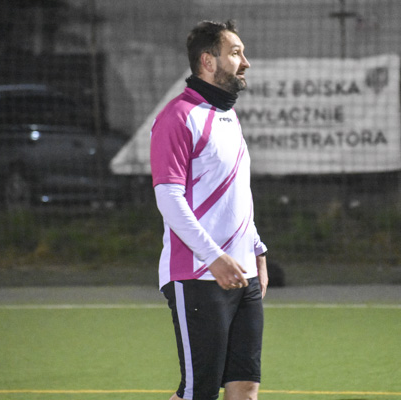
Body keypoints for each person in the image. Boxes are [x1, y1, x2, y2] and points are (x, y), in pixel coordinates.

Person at [150, 19, 268, 400]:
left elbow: (236, 193)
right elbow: (168, 198)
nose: (245, 62)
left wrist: (257, 250)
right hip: (197, 274)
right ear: (207, 61)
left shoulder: (227, 116)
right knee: (198, 393)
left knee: (245, 388)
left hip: (242, 274)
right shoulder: (177, 116)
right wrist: (213, 257)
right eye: (235, 53)